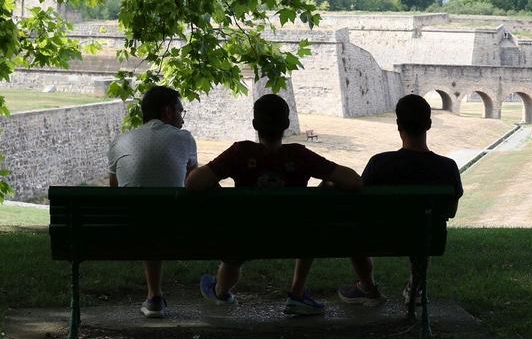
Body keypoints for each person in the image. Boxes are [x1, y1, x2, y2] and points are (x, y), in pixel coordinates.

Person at [187, 93, 361, 315]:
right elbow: (353, 181)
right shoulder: (300, 155)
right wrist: (326, 184)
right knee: (308, 224)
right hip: (295, 236)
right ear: (287, 125)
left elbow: (194, 182)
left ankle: (220, 291)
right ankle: (297, 294)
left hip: (245, 235)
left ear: (254, 125)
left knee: (237, 241)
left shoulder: (240, 153)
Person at [337, 94, 463, 307]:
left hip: (378, 237)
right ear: (429, 124)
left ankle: (367, 287)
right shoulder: (448, 167)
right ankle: (416, 285)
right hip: (426, 238)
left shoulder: (379, 163)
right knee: (425, 226)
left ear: (398, 125)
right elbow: (450, 211)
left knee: (353, 227)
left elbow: (359, 207)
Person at [107, 85, 198, 319]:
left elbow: (114, 189)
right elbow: (194, 183)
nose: (182, 118)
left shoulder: (120, 141)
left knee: (147, 218)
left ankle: (154, 295)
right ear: (167, 111)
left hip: (126, 232)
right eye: (180, 111)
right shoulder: (184, 139)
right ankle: (221, 288)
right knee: (159, 217)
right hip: (179, 231)